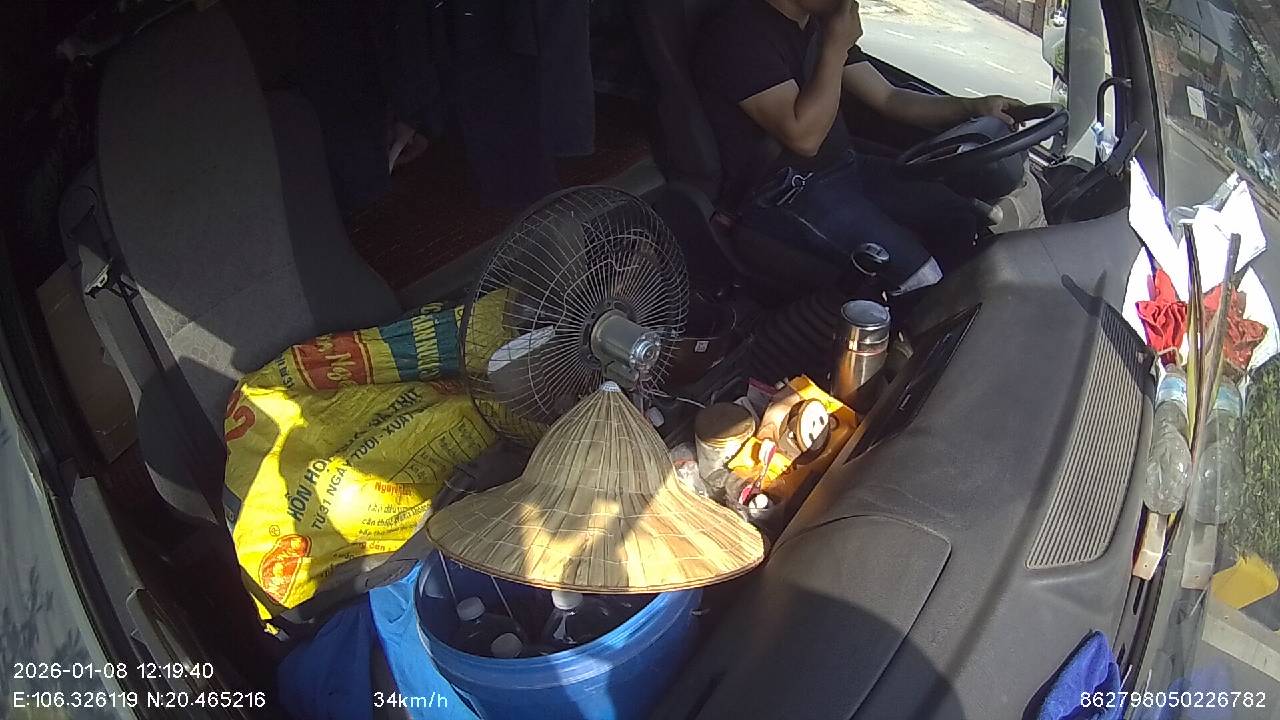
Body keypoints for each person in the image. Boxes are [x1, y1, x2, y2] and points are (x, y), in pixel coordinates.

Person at [695, 0, 1024, 295]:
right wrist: (835, 46)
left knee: (958, 218)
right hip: (783, 192)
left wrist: (972, 106)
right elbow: (804, 138)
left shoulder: (817, 23)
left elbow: (889, 98)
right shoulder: (738, 33)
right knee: (920, 276)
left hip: (843, 168)